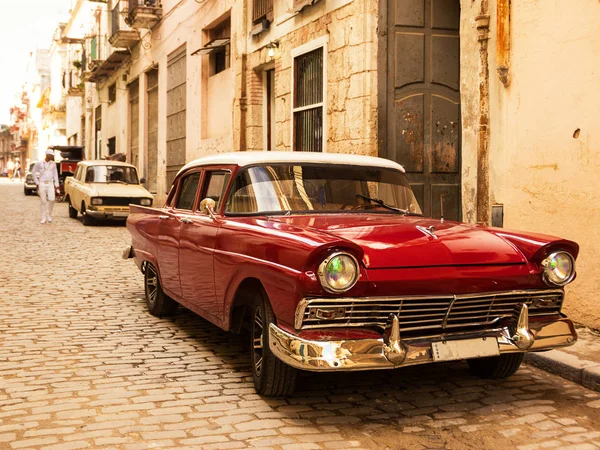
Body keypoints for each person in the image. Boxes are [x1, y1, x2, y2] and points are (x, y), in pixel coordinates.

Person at [33, 150, 60, 224]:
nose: (52, 156)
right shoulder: (39, 163)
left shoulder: (53, 164)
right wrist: (37, 182)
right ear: (47, 155)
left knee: (52, 199)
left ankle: (49, 214)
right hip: (42, 183)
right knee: (43, 201)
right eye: (51, 155)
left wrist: (57, 185)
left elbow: (55, 175)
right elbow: (34, 171)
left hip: (50, 183)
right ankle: (43, 217)